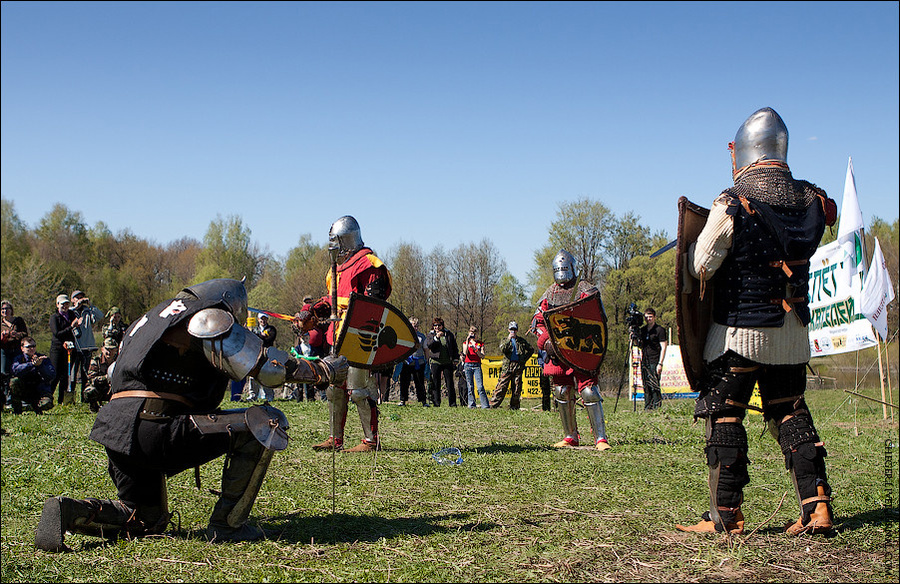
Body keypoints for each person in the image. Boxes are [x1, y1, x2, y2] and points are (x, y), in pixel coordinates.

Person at [34, 278, 348, 552]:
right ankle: (227, 525)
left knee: (144, 517)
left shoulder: (152, 318)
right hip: (156, 427)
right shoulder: (207, 316)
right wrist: (323, 370)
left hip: (115, 430)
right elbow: (266, 368)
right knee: (268, 420)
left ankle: (70, 510)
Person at [675, 107, 837, 536]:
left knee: (723, 414)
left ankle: (725, 516)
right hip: (792, 334)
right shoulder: (812, 201)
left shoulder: (732, 201)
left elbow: (702, 266)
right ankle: (817, 506)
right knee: (790, 412)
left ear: (745, 152)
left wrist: (690, 251)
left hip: (739, 334)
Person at [300, 215, 392, 453]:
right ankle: (335, 438)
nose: (334, 247)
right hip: (336, 336)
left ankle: (371, 441)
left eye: (337, 241)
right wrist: (310, 312)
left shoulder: (370, 265)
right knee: (334, 387)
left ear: (347, 239)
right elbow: (329, 301)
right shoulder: (336, 270)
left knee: (359, 389)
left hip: (359, 336)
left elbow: (373, 307)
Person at [533, 250, 612, 451]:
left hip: (581, 349)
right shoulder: (549, 294)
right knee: (561, 390)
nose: (561, 272)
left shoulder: (586, 290)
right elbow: (538, 321)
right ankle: (570, 436)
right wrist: (546, 341)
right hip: (557, 351)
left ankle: (600, 438)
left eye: (564, 268)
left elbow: (598, 318)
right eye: (558, 269)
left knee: (588, 390)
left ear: (573, 268)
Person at [70, 290, 105, 403]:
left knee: (85, 374)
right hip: (74, 347)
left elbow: (100, 316)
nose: (80, 299)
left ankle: (84, 398)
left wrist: (90, 305)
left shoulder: (87, 311)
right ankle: (70, 398)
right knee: (72, 374)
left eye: (82, 297)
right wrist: (76, 307)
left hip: (87, 347)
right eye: (77, 297)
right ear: (72, 300)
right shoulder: (70, 312)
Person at [490, 321, 534, 410]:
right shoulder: (504, 340)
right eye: (511, 329)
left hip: (518, 366)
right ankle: (493, 405)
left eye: (514, 329)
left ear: (517, 330)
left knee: (517, 388)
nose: (513, 331)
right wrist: (509, 339)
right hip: (508, 367)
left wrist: (523, 359)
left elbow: (531, 350)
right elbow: (502, 348)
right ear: (508, 330)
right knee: (502, 386)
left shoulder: (521, 341)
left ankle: (514, 406)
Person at [48, 294, 81, 405]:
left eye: (67, 304)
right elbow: (57, 333)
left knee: (66, 375)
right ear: (57, 305)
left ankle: (63, 400)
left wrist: (76, 326)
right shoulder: (54, 317)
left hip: (70, 349)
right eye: (62, 304)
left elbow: (76, 331)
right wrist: (71, 327)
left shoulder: (71, 314)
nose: (65, 306)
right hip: (57, 349)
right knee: (55, 374)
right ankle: (48, 397)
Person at [10, 336, 55, 414]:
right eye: (28, 347)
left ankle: (36, 407)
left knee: (47, 404)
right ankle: (17, 409)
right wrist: (31, 364)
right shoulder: (18, 359)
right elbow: (15, 370)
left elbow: (51, 375)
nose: (32, 349)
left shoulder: (43, 358)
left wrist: (40, 365)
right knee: (14, 382)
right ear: (22, 348)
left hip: (39, 390)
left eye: (33, 346)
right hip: (24, 390)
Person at [636, 308, 667, 410]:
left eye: (650, 317)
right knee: (646, 384)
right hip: (645, 360)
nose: (648, 319)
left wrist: (660, 363)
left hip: (655, 359)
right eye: (646, 317)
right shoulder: (643, 330)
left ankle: (656, 406)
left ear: (654, 317)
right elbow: (640, 345)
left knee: (654, 384)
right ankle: (648, 406)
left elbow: (663, 347)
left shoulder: (660, 330)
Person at [1, 300, 29, 409]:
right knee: (4, 374)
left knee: (18, 372)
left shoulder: (18, 321)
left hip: (17, 349)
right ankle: (7, 400)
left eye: (7, 308)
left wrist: (15, 334)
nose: (5, 311)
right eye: (3, 309)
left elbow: (25, 334)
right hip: (4, 350)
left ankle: (20, 398)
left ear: (11, 310)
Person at [245, 313, 279, 402]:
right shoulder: (254, 329)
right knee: (253, 375)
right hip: (255, 354)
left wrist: (258, 335)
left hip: (267, 354)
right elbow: (251, 339)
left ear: (267, 319)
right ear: (258, 319)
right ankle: (253, 395)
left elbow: (269, 339)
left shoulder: (271, 329)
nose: (263, 321)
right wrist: (261, 335)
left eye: (264, 319)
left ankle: (269, 395)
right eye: (261, 319)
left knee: (266, 374)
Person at [427, 317, 460, 407]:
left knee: (450, 383)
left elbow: (454, 347)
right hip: (435, 362)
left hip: (447, 362)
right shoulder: (431, 335)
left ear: (442, 325)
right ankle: (436, 403)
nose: (437, 327)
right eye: (435, 325)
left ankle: (452, 403)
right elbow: (429, 345)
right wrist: (436, 337)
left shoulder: (449, 334)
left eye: (439, 325)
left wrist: (455, 358)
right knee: (436, 383)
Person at [83, 337, 120, 413]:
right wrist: (106, 378)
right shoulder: (96, 361)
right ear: (102, 349)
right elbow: (91, 379)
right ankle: (94, 406)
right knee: (89, 390)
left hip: (115, 388)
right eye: (107, 349)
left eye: (112, 349)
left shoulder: (120, 360)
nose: (109, 352)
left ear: (116, 350)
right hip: (101, 388)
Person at [398, 317, 428, 406]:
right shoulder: (404, 336)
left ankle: (423, 401)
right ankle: (403, 400)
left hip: (419, 362)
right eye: (413, 326)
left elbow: (426, 349)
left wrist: (427, 361)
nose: (415, 328)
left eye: (416, 326)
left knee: (419, 382)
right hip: (406, 362)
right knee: (404, 382)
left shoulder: (421, 337)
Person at [461, 325, 489, 409]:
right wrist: (467, 340)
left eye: (474, 333)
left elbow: (483, 356)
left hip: (477, 365)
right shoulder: (466, 343)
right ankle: (471, 404)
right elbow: (465, 353)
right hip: (468, 365)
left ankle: (485, 405)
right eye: (471, 333)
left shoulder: (480, 343)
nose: (473, 335)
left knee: (480, 386)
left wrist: (476, 349)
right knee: (470, 386)